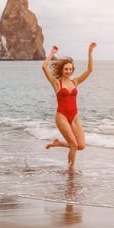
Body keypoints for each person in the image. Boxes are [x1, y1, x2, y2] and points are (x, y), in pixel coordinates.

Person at [42, 42, 97, 172]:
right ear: (62, 70)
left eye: (70, 69)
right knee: (73, 145)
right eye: (66, 69)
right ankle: (70, 170)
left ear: (72, 70)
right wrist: (52, 53)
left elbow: (89, 70)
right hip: (62, 116)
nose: (68, 71)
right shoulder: (56, 83)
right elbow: (44, 67)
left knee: (81, 146)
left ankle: (59, 143)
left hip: (75, 117)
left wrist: (90, 52)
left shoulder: (75, 82)